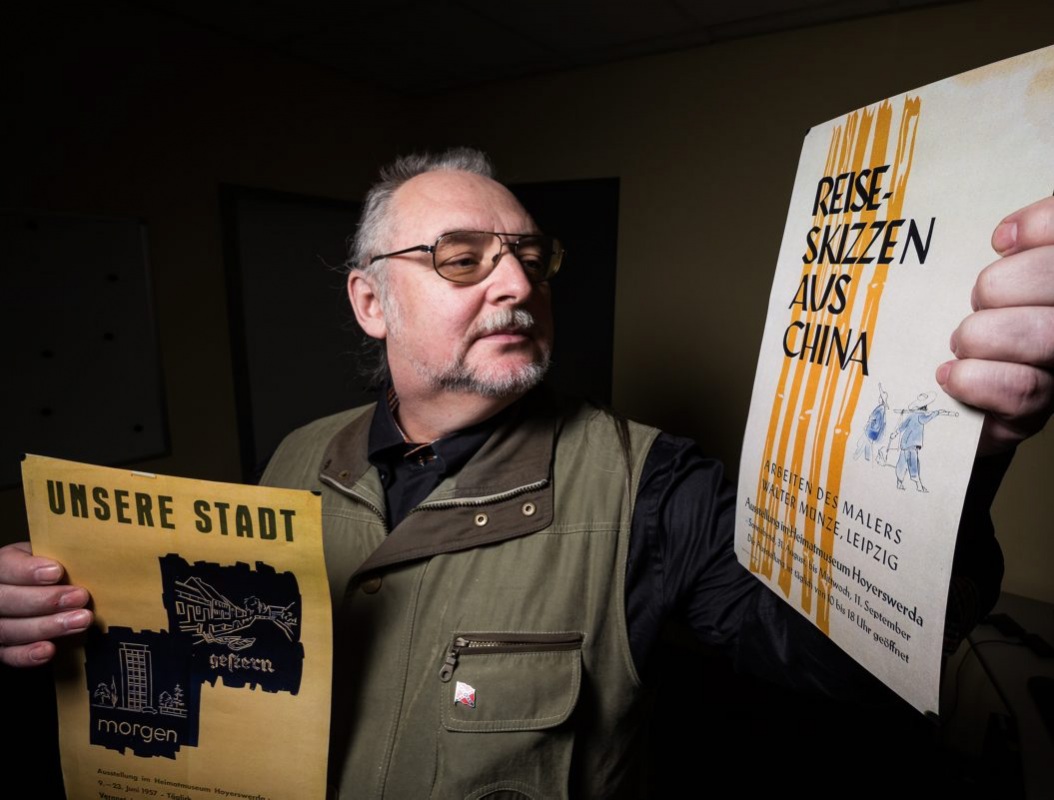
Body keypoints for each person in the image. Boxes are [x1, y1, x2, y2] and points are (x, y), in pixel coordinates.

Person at [2, 149, 1052, 797]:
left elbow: (851, 656)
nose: (514, 280)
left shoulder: (653, 484)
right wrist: (52, 614)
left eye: (529, 255)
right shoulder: (292, 455)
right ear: (372, 302)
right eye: (462, 258)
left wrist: (960, 452)